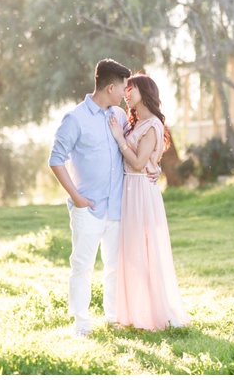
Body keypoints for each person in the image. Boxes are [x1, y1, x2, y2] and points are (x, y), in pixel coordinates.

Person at [49, 58, 158, 338]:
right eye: (123, 87)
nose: (126, 92)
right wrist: (77, 197)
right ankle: (81, 323)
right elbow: (56, 160)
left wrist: (153, 168)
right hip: (88, 207)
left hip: (118, 207)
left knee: (115, 267)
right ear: (111, 87)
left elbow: (137, 149)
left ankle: (113, 317)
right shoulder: (75, 119)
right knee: (82, 266)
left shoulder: (120, 117)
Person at [108, 73, 191, 331]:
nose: (126, 93)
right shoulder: (135, 123)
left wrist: (119, 138)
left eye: (131, 89)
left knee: (145, 251)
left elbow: (139, 162)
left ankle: (153, 312)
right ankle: (133, 310)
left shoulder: (152, 124)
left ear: (144, 91)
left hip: (142, 192)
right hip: (130, 189)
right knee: (131, 253)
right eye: (125, 89)